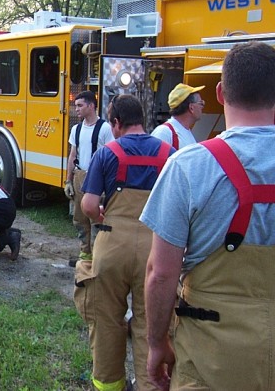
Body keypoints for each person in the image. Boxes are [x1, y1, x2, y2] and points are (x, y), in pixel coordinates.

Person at [142, 41, 275, 390]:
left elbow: (161, 273)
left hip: (211, 360)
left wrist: (157, 343)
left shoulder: (189, 167)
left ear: (220, 92)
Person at [73, 94, 174, 391]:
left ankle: (109, 385)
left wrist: (104, 218)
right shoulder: (169, 153)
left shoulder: (107, 153)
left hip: (111, 244)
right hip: (155, 250)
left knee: (106, 320)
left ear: (116, 123)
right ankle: (150, 384)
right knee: (149, 325)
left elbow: (89, 205)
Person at [65, 90, 114, 262]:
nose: (76, 109)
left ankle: (97, 255)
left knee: (96, 217)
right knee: (79, 218)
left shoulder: (106, 129)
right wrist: (68, 180)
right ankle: (85, 254)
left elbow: (111, 156)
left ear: (91, 106)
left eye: (80, 105)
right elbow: (72, 155)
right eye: (75, 105)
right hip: (79, 175)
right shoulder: (76, 129)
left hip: (98, 177)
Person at [150, 83, 205, 149]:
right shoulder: (164, 133)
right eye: (201, 103)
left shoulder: (185, 131)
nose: (202, 107)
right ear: (191, 108)